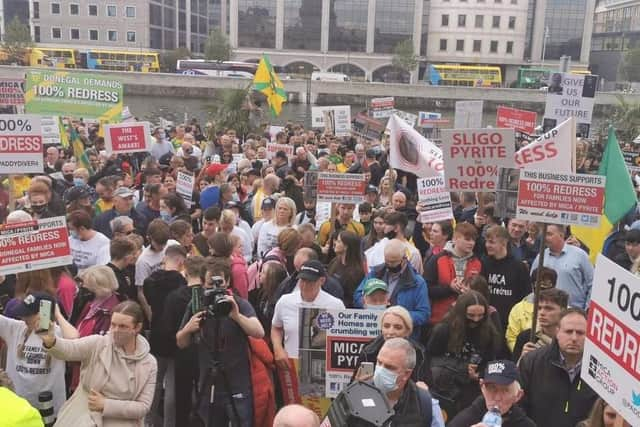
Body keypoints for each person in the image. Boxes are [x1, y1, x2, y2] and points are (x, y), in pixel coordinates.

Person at [176, 258, 265, 427]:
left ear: (228, 281)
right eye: (210, 284)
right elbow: (181, 343)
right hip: (209, 383)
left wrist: (237, 316)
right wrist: (188, 329)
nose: (216, 289)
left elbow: (259, 332)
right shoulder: (196, 305)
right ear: (202, 283)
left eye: (220, 283)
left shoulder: (238, 304)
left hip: (237, 383)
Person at [39, 301, 157, 426]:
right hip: (82, 417)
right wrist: (51, 342)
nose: (115, 330)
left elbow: (143, 407)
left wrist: (105, 404)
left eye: (123, 326)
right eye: (113, 324)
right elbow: (69, 349)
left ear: (137, 328)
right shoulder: (98, 343)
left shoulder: (148, 363)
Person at [0, 292, 78, 417]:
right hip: (20, 406)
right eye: (22, 313)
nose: (23, 318)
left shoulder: (57, 332)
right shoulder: (16, 328)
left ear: (44, 313)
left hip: (50, 408)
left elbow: (74, 338)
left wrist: (57, 314)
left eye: (28, 315)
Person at [427, 291, 502, 418]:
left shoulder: (488, 331)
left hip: (472, 389)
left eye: (480, 315)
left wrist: (479, 374)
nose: (476, 319)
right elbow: (430, 359)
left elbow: (491, 360)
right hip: (444, 387)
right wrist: (463, 369)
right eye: (471, 315)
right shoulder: (443, 330)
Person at [519, 308, 597, 427]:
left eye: (580, 333)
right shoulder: (532, 362)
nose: (574, 338)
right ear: (557, 332)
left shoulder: (600, 369)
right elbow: (518, 406)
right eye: (569, 331)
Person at [271, 260, 345, 364]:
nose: (305, 285)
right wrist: (278, 348)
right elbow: (276, 327)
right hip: (291, 364)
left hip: (323, 366)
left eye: (310, 282)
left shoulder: (336, 305)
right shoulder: (285, 301)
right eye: (302, 280)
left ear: (322, 281)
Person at [355, 239, 431, 339]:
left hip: (404, 337)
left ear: (404, 259)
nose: (390, 265)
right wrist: (369, 304)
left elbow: (424, 314)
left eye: (394, 262)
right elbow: (357, 295)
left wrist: (398, 316)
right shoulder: (375, 273)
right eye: (387, 261)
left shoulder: (417, 282)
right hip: (374, 333)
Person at [352, 305, 429, 384]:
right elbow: (348, 391)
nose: (390, 332)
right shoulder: (368, 351)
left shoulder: (419, 353)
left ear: (407, 331)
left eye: (397, 327)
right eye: (386, 326)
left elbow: (431, 390)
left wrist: (422, 392)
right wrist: (357, 384)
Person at [424, 222, 482, 325]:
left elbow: (483, 292)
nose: (472, 243)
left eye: (474, 240)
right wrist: (449, 288)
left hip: (468, 321)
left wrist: (471, 291)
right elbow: (427, 289)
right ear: (455, 239)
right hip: (440, 320)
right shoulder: (437, 259)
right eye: (467, 239)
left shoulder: (478, 263)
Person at [370, 338, 437, 426]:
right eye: (379, 362)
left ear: (406, 374)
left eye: (389, 367)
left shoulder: (426, 405)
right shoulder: (356, 396)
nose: (380, 370)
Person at [448, 360, 535, 427]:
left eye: (505, 390)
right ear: (482, 387)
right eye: (492, 388)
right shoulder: (464, 421)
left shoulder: (526, 425)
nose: (497, 397)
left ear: (518, 396)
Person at [531, 224, 593, 310]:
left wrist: (587, 309)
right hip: (547, 311)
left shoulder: (580, 255)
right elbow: (532, 284)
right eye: (544, 234)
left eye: (549, 234)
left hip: (573, 312)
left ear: (561, 235)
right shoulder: (541, 257)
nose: (545, 237)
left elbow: (592, 283)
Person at [480, 225, 531, 331]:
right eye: (487, 242)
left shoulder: (518, 267)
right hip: (487, 321)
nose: (487, 245)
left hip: (510, 322)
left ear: (503, 243)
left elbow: (526, 296)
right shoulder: (484, 263)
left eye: (492, 242)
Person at [505, 266, 558, 352]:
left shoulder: (564, 309)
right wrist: (521, 352)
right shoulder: (519, 309)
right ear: (532, 285)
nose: (543, 290)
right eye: (539, 285)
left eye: (547, 285)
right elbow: (511, 337)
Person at [513, 288, 568, 362]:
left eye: (548, 308)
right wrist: (522, 359)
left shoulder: (570, 338)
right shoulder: (526, 337)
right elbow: (513, 371)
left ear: (563, 311)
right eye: (539, 308)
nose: (542, 313)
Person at [327, 230, 365, 308]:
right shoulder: (334, 261)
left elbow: (352, 298)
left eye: (338, 241)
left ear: (346, 246)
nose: (335, 243)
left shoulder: (356, 272)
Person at [68, 209, 111, 273]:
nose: (70, 232)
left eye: (72, 229)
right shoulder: (70, 240)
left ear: (82, 228)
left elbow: (102, 270)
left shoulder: (103, 243)